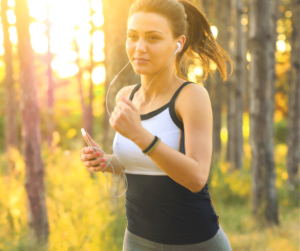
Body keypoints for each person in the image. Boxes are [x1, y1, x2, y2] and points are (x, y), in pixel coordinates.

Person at [81, 0, 233, 250]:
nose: (139, 48)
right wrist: (106, 161)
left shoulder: (191, 96)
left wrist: (140, 135)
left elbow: (196, 177)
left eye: (153, 38)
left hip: (196, 242)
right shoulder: (125, 96)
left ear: (178, 43)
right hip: (138, 240)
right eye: (133, 36)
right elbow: (141, 163)